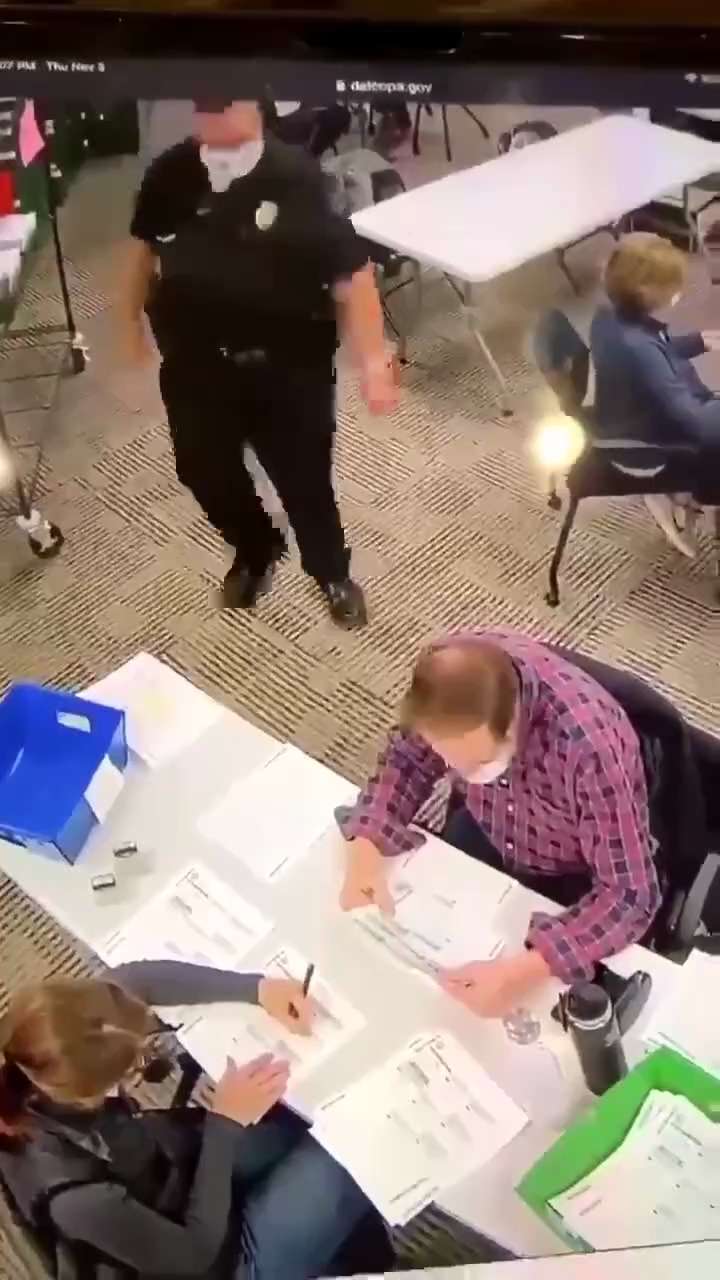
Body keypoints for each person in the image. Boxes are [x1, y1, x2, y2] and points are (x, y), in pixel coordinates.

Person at [120, 99, 398, 629]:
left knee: (305, 481)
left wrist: (373, 361)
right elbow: (143, 248)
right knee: (202, 471)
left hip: (288, 369)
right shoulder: (170, 174)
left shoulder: (300, 180)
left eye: (228, 104)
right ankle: (256, 547)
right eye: (205, 106)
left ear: (255, 108)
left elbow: (352, 274)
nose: (215, 118)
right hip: (197, 365)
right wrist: (128, 320)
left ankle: (331, 572)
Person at [338, 629, 662, 1018]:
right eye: (448, 758)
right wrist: (365, 850)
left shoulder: (589, 748)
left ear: (514, 726)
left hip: (571, 867)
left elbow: (630, 895)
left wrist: (521, 973)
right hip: (490, 823)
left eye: (476, 763)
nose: (458, 771)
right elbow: (407, 762)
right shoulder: (448, 678)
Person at [0, 959, 387, 1280]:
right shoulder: (76, 1199)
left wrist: (257, 989)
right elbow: (194, 1254)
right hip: (213, 1261)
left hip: (167, 1168)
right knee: (352, 1146)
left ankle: (347, 1245)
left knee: (298, 1119)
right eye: (132, 1070)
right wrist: (223, 1125)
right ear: (86, 1092)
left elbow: (136, 982)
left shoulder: (48, 1046)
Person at [591, 232, 720, 557]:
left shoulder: (608, 317)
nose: (679, 291)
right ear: (646, 291)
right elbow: (695, 422)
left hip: (629, 421)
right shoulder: (639, 347)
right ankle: (696, 494)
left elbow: (654, 352)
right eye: (673, 285)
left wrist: (697, 341)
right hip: (651, 448)